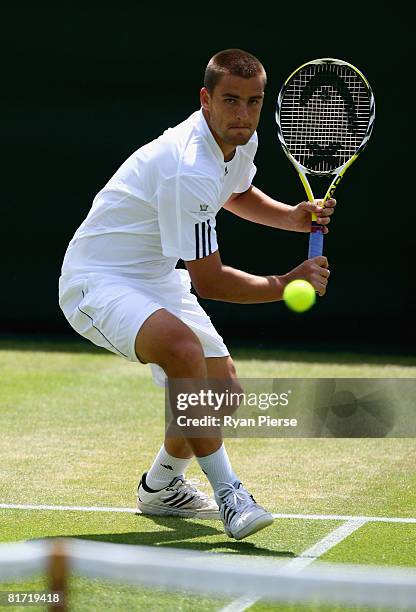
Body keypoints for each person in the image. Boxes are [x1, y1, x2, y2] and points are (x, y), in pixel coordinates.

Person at [58, 49, 335, 540]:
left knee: (222, 391)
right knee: (184, 350)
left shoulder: (236, 141)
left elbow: (234, 191)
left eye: (253, 102)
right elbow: (211, 281)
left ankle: (160, 486)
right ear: (205, 99)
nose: (243, 114)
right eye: (230, 100)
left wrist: (291, 216)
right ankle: (231, 493)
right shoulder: (186, 166)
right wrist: (286, 283)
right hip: (97, 280)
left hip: (155, 275)